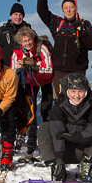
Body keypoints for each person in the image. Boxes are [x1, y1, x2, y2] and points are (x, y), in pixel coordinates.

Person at [37, 73, 92, 181]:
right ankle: (56, 167)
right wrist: (59, 161)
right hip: (61, 152)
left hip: (82, 151)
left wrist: (75, 137)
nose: (77, 95)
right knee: (44, 128)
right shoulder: (58, 108)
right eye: (73, 91)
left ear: (86, 91)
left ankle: (85, 166)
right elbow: (57, 133)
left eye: (80, 91)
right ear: (67, 92)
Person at [37, 0, 92, 103]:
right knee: (59, 100)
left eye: (71, 7)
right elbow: (43, 13)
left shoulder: (85, 24)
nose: (68, 10)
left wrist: (82, 32)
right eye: (65, 8)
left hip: (78, 69)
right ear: (63, 10)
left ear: (75, 8)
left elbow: (91, 45)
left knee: (77, 100)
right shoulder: (58, 23)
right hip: (59, 70)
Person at [11, 26, 54, 154]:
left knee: (45, 110)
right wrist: (20, 68)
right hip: (30, 83)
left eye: (29, 40)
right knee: (31, 110)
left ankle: (48, 138)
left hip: (46, 81)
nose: (27, 43)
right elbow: (12, 73)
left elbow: (50, 71)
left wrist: (35, 68)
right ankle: (31, 138)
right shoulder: (17, 52)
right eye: (24, 41)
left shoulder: (42, 48)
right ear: (20, 42)